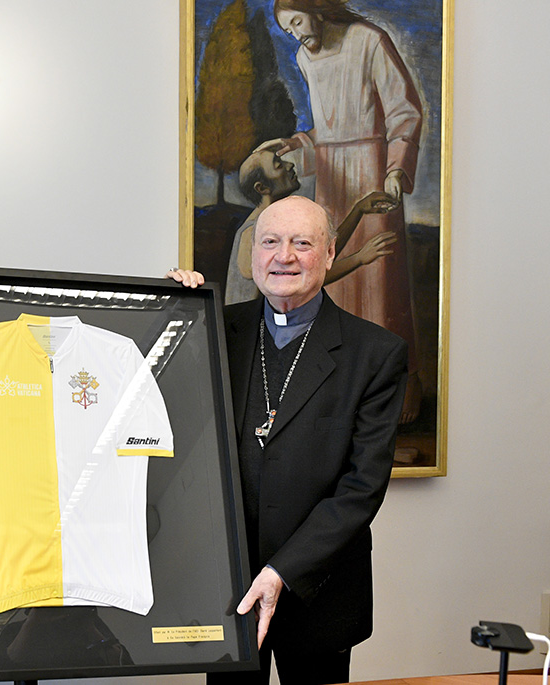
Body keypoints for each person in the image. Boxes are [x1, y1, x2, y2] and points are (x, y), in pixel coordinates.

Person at [169, 195, 407, 684]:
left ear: (330, 254)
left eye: (303, 243)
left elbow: (361, 489)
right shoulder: (213, 329)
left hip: (319, 592)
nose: (285, 257)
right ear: (253, 253)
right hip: (229, 590)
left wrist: (281, 573)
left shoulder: (376, 354)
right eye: (271, 242)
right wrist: (174, 306)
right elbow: (156, 407)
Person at [255, 0, 423, 424]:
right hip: (332, 182)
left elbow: (405, 112)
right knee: (331, 283)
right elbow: (326, 134)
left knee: (377, 285)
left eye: (296, 22)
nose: (295, 33)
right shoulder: (304, 58)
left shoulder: (369, 41)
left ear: (315, 10)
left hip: (371, 177)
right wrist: (295, 145)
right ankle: (333, 401)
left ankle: (390, 406)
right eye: (287, 28)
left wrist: (395, 169)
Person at [227, 149, 398, 305]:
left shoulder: (278, 224)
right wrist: (358, 258)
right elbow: (301, 279)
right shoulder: (252, 232)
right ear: (262, 188)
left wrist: (358, 210)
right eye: (278, 165)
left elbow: (322, 255)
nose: (289, 165)